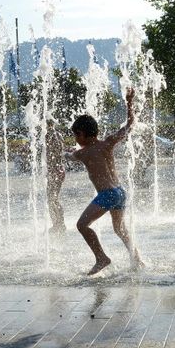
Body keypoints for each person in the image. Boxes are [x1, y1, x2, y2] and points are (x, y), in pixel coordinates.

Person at [66, 87, 143, 275]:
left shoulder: (82, 153)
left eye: (77, 135)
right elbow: (130, 125)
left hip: (107, 195)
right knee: (119, 229)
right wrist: (129, 102)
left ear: (83, 134)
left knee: (82, 225)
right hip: (120, 192)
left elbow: (70, 156)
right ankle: (137, 259)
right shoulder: (108, 142)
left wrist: (63, 152)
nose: (76, 139)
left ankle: (101, 258)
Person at [46, 117, 66, 235]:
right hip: (57, 170)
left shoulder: (50, 136)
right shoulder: (58, 135)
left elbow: (55, 154)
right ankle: (58, 223)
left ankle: (59, 224)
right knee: (52, 198)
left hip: (55, 171)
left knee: (52, 199)